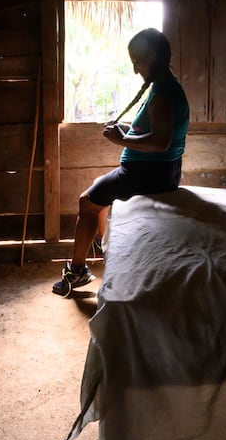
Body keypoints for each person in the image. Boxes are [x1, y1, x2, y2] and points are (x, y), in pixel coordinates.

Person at [53, 27, 190, 297]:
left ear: (151, 55)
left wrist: (122, 140)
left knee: (86, 202)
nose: (135, 68)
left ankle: (77, 271)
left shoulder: (162, 90)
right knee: (97, 194)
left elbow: (161, 141)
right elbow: (158, 130)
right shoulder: (165, 84)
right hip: (157, 171)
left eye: (137, 61)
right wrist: (131, 130)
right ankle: (107, 256)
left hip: (146, 174)